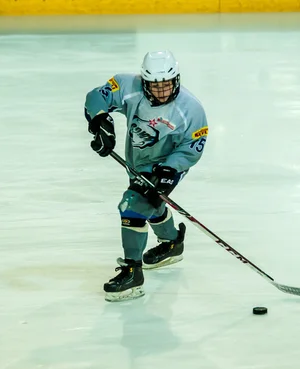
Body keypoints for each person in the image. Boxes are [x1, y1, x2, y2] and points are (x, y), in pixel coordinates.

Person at [84, 50, 209, 302]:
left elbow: (193, 146)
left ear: (176, 80)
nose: (161, 91)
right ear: (143, 81)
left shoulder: (191, 109)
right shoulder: (127, 85)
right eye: (154, 85)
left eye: (166, 85)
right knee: (150, 202)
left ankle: (133, 272)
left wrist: (170, 170)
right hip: (138, 162)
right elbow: (96, 97)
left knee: (132, 206)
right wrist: (100, 123)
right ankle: (172, 243)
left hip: (167, 164)